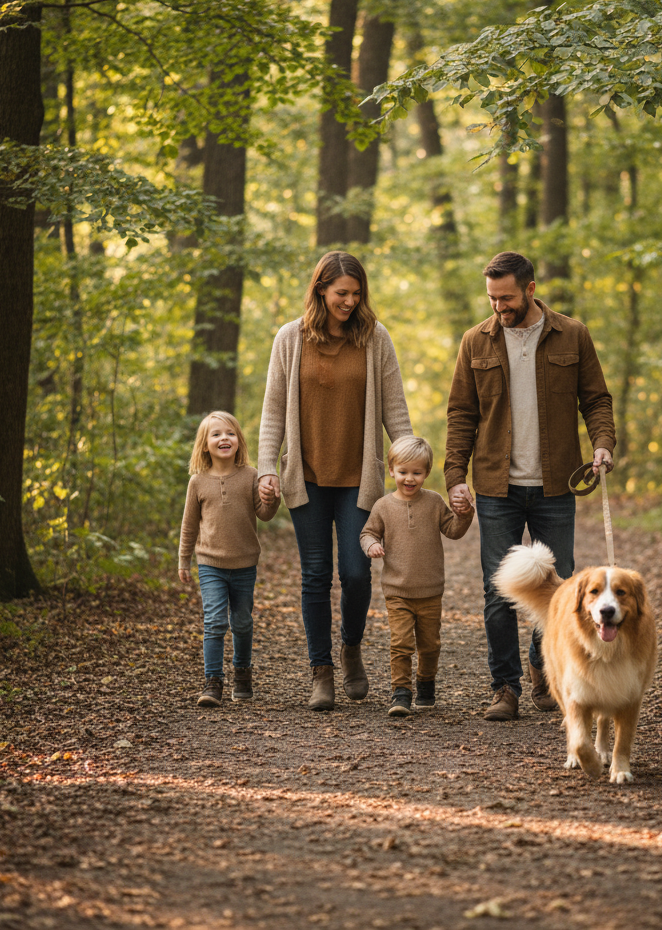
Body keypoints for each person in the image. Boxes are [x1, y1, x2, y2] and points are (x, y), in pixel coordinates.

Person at [445, 251, 615, 721]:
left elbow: (596, 400)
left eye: (507, 298)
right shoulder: (474, 341)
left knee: (561, 589)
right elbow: (461, 413)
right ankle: (505, 687)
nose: (498, 307)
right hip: (495, 486)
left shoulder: (572, 335)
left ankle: (542, 665)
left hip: (557, 485)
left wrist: (602, 444)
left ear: (531, 289)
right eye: (492, 298)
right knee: (498, 591)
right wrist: (455, 476)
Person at [257, 251, 412, 711]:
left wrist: (408, 459)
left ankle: (351, 646)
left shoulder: (374, 338)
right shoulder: (290, 338)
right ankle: (320, 671)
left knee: (356, 572)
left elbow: (395, 407)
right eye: (342, 293)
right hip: (305, 476)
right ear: (320, 289)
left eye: (356, 294)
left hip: (357, 479)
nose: (349, 301)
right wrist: (267, 468)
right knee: (315, 575)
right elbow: (273, 411)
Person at [359, 435, 473, 717]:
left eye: (417, 473)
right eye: (403, 472)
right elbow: (367, 532)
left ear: (426, 472)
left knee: (430, 645)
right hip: (397, 590)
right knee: (400, 643)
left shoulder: (434, 502)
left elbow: (453, 530)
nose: (409, 479)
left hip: (430, 590)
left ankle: (425, 684)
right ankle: (401, 692)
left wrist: (464, 514)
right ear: (391, 470)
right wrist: (371, 545)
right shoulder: (383, 506)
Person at [179, 411, 279, 707]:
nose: (224, 438)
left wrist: (272, 498)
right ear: (205, 445)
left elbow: (265, 514)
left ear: (239, 441)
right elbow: (189, 525)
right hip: (210, 564)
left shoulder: (251, 476)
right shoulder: (197, 482)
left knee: (242, 622)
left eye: (230, 433)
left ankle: (242, 673)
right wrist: (184, 559)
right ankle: (213, 682)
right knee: (214, 621)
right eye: (216, 434)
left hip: (245, 564)